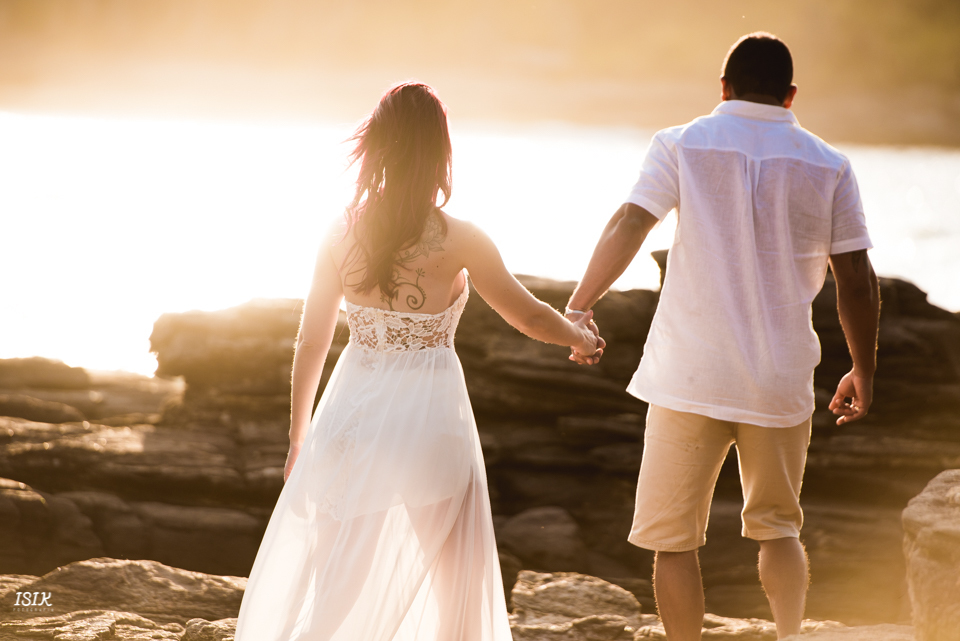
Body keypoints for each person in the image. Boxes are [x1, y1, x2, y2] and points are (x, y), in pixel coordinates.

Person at [233, 82, 603, 641]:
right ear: (439, 152)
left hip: (351, 415)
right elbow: (529, 316)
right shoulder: (460, 238)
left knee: (338, 582)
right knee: (456, 579)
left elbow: (311, 341)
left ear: (377, 146)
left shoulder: (339, 231)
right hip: (429, 418)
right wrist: (581, 338)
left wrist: (298, 436)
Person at [564, 33, 880, 640]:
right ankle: (789, 635)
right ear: (790, 95)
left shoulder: (681, 143)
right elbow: (858, 281)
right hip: (779, 377)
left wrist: (578, 307)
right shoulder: (829, 164)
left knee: (674, 540)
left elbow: (631, 222)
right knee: (779, 529)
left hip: (689, 373)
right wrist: (862, 369)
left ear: (724, 87)